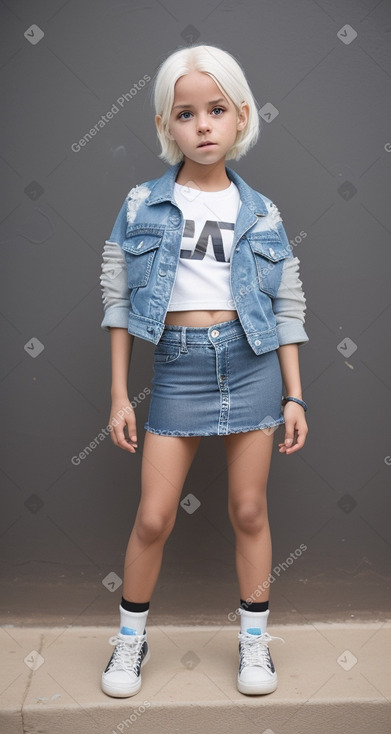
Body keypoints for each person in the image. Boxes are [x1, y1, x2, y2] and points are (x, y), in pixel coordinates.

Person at [99, 43, 309, 698]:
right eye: (185, 113)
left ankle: (254, 644)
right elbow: (117, 297)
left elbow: (286, 306)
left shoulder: (263, 213)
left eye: (216, 110)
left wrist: (296, 395)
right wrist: (118, 396)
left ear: (241, 116)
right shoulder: (140, 205)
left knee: (248, 508)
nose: (203, 125)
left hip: (250, 366)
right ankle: (129, 642)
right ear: (166, 125)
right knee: (154, 516)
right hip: (179, 370)